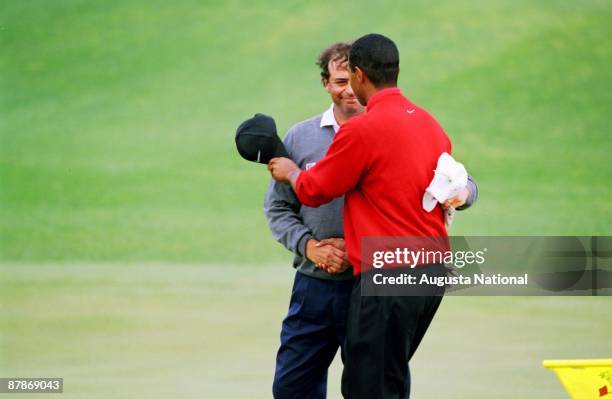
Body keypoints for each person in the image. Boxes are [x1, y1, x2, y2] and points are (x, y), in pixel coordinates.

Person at [266, 39, 478, 398]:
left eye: (351, 77)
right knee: (384, 380)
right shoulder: (428, 123)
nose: (349, 88)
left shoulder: (363, 129)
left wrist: (289, 171)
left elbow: (315, 189)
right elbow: (450, 179)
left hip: (386, 275)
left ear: (360, 75)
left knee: (372, 389)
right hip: (429, 273)